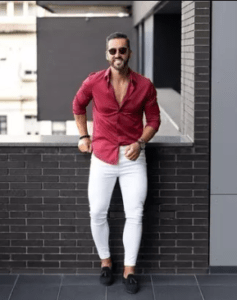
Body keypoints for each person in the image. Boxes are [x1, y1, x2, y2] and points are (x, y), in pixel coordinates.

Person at [72, 32, 161, 294]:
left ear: (130, 53)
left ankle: (129, 270)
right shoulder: (93, 82)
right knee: (97, 212)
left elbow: (154, 120)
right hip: (101, 156)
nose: (117, 55)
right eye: (113, 51)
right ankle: (106, 262)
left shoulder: (145, 85)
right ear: (107, 54)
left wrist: (140, 142)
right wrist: (83, 136)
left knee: (135, 213)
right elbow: (78, 106)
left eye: (122, 50)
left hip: (133, 157)